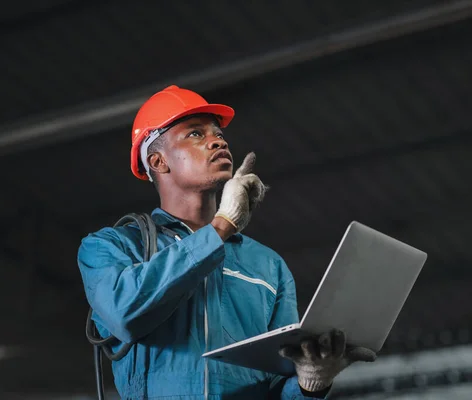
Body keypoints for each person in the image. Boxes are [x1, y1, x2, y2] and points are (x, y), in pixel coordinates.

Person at [77, 85, 376, 399]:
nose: (217, 140)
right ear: (158, 161)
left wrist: (311, 383)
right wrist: (221, 227)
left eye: (217, 133)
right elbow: (126, 314)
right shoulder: (110, 248)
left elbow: (279, 379)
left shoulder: (268, 265)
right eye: (195, 134)